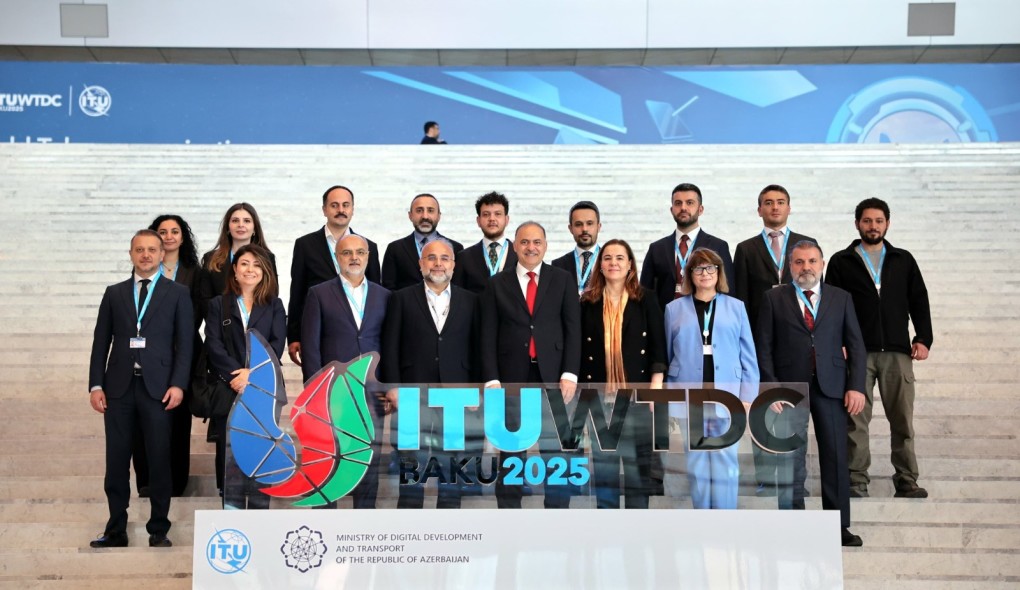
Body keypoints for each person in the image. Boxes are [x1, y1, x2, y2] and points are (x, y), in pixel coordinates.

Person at [756, 240, 867, 547]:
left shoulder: (841, 298)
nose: (806, 267)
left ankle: (838, 526)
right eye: (799, 262)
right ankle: (793, 524)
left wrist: (856, 386)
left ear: (822, 264)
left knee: (835, 456)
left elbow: (856, 345)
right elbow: (763, 347)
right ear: (789, 266)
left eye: (812, 261)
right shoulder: (773, 298)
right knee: (790, 458)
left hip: (832, 388)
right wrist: (771, 387)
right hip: (788, 391)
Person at [88, 230, 194, 548]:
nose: (145, 255)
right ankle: (116, 529)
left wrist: (178, 384)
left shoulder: (178, 293)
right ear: (131, 254)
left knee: (159, 458)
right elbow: (100, 341)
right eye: (139, 250)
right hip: (118, 389)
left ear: (162, 254)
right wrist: (96, 384)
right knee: (116, 460)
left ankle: (158, 528)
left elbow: (185, 344)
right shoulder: (114, 293)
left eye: (151, 249)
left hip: (158, 389)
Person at [825, 198, 933, 499]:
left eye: (879, 221)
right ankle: (856, 481)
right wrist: (837, 343)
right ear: (857, 223)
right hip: (857, 353)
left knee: (902, 420)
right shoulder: (841, 261)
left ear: (887, 223)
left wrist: (923, 338)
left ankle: (907, 480)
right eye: (867, 221)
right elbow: (831, 306)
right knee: (855, 421)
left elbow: (919, 299)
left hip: (898, 353)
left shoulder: (903, 259)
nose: (873, 226)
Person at [480, 222, 580, 509]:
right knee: (511, 452)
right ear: (515, 246)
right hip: (511, 379)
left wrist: (570, 373)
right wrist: (491, 379)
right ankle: (509, 515)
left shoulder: (562, 280)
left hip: (554, 378)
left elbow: (573, 329)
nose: (531, 247)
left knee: (556, 451)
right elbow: (487, 334)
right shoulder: (497, 283)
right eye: (524, 242)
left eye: (537, 242)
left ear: (545, 246)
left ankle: (556, 515)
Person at [381, 239, 480, 508]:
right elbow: (390, 346)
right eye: (431, 258)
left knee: (452, 465)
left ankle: (448, 522)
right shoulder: (401, 298)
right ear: (421, 264)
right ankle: (410, 522)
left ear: (454, 265)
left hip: (456, 394)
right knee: (411, 464)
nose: (438, 263)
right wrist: (393, 387)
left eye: (444, 258)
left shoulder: (471, 300)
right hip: (412, 394)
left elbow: (478, 347)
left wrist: (476, 389)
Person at [732, 185, 816, 495]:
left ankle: (796, 481)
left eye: (781, 202)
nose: (775, 207)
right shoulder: (746, 249)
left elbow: (818, 295)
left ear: (789, 208)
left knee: (795, 416)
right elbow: (739, 300)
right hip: (759, 341)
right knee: (763, 410)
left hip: (797, 340)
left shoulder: (806, 246)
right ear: (759, 210)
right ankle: (766, 479)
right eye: (768, 203)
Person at [664, 248, 758, 509]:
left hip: (726, 395)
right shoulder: (673, 309)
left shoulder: (736, 307)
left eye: (710, 268)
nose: (704, 273)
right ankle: (703, 518)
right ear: (689, 274)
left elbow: (748, 356)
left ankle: (724, 519)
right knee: (696, 461)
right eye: (698, 268)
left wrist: (748, 396)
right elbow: (668, 354)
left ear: (719, 272)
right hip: (689, 395)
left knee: (725, 458)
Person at [302, 234, 391, 508]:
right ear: (337, 257)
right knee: (329, 460)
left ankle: (363, 521)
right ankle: (325, 523)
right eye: (347, 252)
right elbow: (311, 347)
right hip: (333, 394)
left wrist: (387, 387)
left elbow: (390, 345)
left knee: (368, 461)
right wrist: (315, 393)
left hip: (371, 394)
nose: (354, 257)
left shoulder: (384, 295)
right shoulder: (318, 293)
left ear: (368, 257)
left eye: (360, 252)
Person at [579, 239, 665, 509]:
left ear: (630, 265)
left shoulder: (646, 298)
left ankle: (636, 529)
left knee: (638, 471)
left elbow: (658, 348)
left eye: (619, 258)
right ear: (600, 265)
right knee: (604, 471)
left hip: (638, 398)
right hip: (600, 399)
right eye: (607, 258)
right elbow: (580, 351)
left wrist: (655, 389)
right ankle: (608, 528)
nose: (613, 263)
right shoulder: (587, 302)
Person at [197, 202, 276, 493]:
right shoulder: (213, 260)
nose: (241, 225)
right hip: (226, 360)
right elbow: (212, 332)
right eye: (235, 220)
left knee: (259, 433)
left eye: (246, 220)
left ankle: (257, 484)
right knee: (227, 434)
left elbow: (273, 335)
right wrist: (235, 372)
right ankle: (226, 489)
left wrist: (252, 371)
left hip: (259, 373)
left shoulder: (269, 273)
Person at [204, 244, 286, 509]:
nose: (251, 270)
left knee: (262, 450)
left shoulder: (274, 305)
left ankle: (260, 513)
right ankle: (232, 510)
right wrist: (236, 377)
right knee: (229, 453)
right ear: (235, 270)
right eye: (245, 264)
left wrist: (252, 374)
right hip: (230, 388)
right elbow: (213, 344)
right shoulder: (218, 305)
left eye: (257, 265)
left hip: (264, 390)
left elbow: (276, 344)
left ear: (265, 272)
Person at [131, 215, 201, 499]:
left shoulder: (195, 272)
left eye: (175, 231)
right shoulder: (144, 270)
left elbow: (200, 312)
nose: (169, 236)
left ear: (183, 237)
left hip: (183, 354)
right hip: (147, 356)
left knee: (178, 421)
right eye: (163, 231)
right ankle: (146, 481)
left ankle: (176, 481)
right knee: (142, 424)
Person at [288, 185, 381, 367]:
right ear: (324, 210)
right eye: (334, 205)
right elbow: (297, 292)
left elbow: (375, 294)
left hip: (357, 334)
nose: (341, 210)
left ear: (352, 209)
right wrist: (293, 336)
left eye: (346, 205)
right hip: (318, 331)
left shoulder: (369, 247)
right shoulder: (305, 245)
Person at [640, 182, 734, 311]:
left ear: (700, 209)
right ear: (671, 210)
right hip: (664, 318)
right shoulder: (656, 249)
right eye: (678, 203)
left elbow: (728, 290)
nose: (683, 208)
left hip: (705, 317)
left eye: (690, 203)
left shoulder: (718, 246)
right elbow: (645, 292)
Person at [381, 193, 463, 291]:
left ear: (439, 216)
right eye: (419, 210)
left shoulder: (456, 248)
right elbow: (388, 289)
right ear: (410, 216)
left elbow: (460, 288)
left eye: (430, 210)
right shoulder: (395, 249)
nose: (425, 216)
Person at [452, 191, 517, 294]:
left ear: (507, 220)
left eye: (498, 214)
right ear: (478, 221)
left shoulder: (520, 254)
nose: (492, 219)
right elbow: (458, 295)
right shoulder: (464, 257)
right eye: (486, 214)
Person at [552, 201, 603, 297]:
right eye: (578, 224)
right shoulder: (558, 265)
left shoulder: (611, 262)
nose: (584, 229)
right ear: (570, 228)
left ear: (598, 227)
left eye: (590, 223)